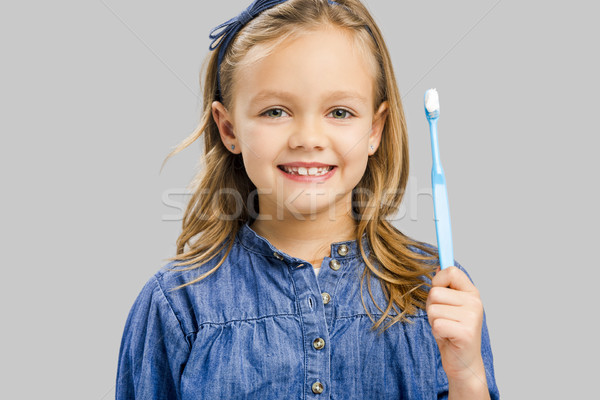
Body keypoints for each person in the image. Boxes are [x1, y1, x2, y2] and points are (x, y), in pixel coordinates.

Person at [116, 0, 499, 398]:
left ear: (375, 128)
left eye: (339, 112)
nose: (308, 138)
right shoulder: (177, 304)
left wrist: (467, 378)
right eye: (276, 111)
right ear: (228, 128)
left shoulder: (434, 293)